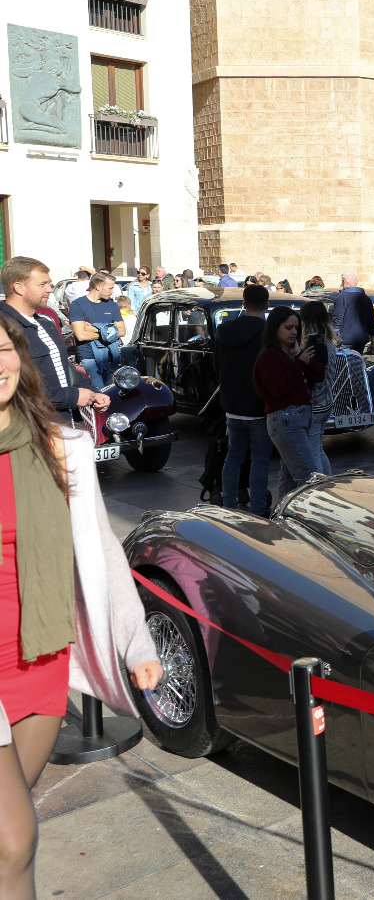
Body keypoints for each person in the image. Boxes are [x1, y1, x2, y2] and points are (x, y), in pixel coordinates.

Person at [0, 311, 162, 898]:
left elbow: (98, 552)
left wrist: (135, 642)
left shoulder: (60, 446)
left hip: (40, 661)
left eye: (6, 349)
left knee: (9, 833)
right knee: (13, 841)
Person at [0, 259, 107, 426]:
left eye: (49, 284)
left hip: (68, 426)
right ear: (19, 287)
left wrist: (93, 393)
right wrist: (71, 397)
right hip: (33, 432)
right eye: (42, 284)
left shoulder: (46, 322)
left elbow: (64, 368)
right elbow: (13, 391)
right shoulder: (4, 328)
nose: (50, 290)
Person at [254, 307, 326, 499]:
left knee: (288, 481)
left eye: (296, 327)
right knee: (309, 480)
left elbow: (320, 374)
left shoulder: (293, 353)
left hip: (297, 421)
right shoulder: (270, 356)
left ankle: (280, 520)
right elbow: (277, 388)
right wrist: (300, 362)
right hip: (286, 420)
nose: (294, 332)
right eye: (288, 328)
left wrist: (301, 356)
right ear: (275, 329)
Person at [215, 283, 273, 515]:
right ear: (267, 306)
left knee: (233, 456)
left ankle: (229, 504)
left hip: (232, 404)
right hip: (259, 405)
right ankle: (258, 507)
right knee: (259, 460)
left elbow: (216, 366)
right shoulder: (269, 333)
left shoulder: (225, 330)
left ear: (244, 304)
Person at [298, 300, 338, 475]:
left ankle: (320, 487)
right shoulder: (329, 341)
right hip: (326, 401)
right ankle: (328, 483)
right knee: (318, 449)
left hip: (315, 403)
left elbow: (312, 376)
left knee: (313, 451)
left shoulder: (314, 344)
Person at [66, 272, 125, 390]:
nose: (112, 291)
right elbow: (81, 335)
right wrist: (108, 331)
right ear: (98, 286)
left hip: (111, 357)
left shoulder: (112, 306)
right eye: (110, 288)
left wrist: (93, 328)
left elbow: (122, 331)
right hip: (89, 357)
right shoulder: (78, 305)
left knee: (112, 392)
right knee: (99, 393)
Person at [331, 271, 374, 351]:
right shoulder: (366, 298)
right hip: (361, 342)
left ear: (344, 281)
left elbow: (337, 320)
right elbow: (372, 322)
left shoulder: (342, 298)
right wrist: (373, 343)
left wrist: (334, 339)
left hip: (344, 342)